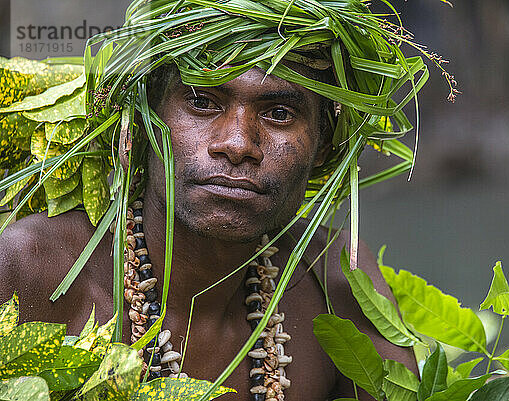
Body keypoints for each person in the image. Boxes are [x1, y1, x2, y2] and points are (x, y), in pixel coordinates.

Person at [0, 0, 431, 399]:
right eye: (203, 102)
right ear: (147, 121)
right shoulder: (30, 271)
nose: (239, 143)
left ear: (322, 145)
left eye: (278, 112)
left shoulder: (331, 284)